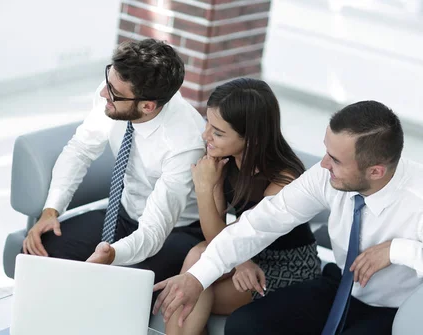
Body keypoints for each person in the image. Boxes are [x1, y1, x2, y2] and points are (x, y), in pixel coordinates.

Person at [153, 100, 423, 335]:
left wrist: (398, 250)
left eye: (336, 160)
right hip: (341, 285)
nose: (324, 164)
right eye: (326, 151)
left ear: (376, 171)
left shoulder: (417, 198)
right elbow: (262, 222)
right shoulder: (325, 174)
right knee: (245, 325)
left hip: (396, 309)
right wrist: (195, 278)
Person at [21, 38, 206, 286]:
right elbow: (80, 150)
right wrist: (51, 210)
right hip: (124, 212)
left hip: (176, 231)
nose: (102, 93)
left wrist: (113, 255)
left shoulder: (184, 145)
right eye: (108, 79)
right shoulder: (116, 89)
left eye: (113, 93)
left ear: (148, 106)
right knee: (38, 254)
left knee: (118, 286)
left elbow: (153, 232)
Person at [165, 78, 321, 335]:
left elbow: (238, 237)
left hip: (285, 263)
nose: (206, 136)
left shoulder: (283, 180)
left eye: (217, 132)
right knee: (196, 262)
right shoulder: (223, 158)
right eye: (208, 124)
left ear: (253, 139)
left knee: (195, 291)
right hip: (240, 250)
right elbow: (216, 237)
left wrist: (204, 188)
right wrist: (240, 261)